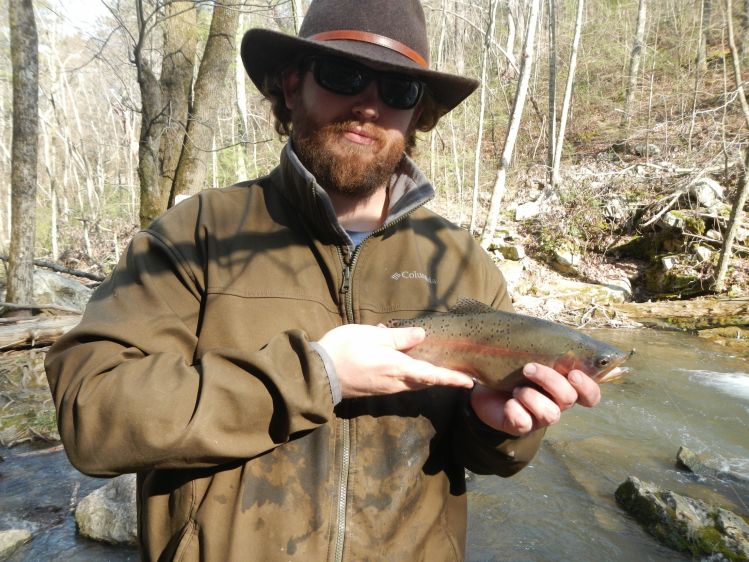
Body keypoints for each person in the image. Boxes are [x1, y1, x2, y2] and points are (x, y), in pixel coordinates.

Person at [45, 1, 601, 560]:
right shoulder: (196, 236)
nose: (368, 105)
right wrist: (318, 375)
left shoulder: (460, 262)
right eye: (343, 74)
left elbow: (489, 458)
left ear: (418, 115)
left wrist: (498, 428)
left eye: (399, 89)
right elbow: (92, 417)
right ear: (291, 87)